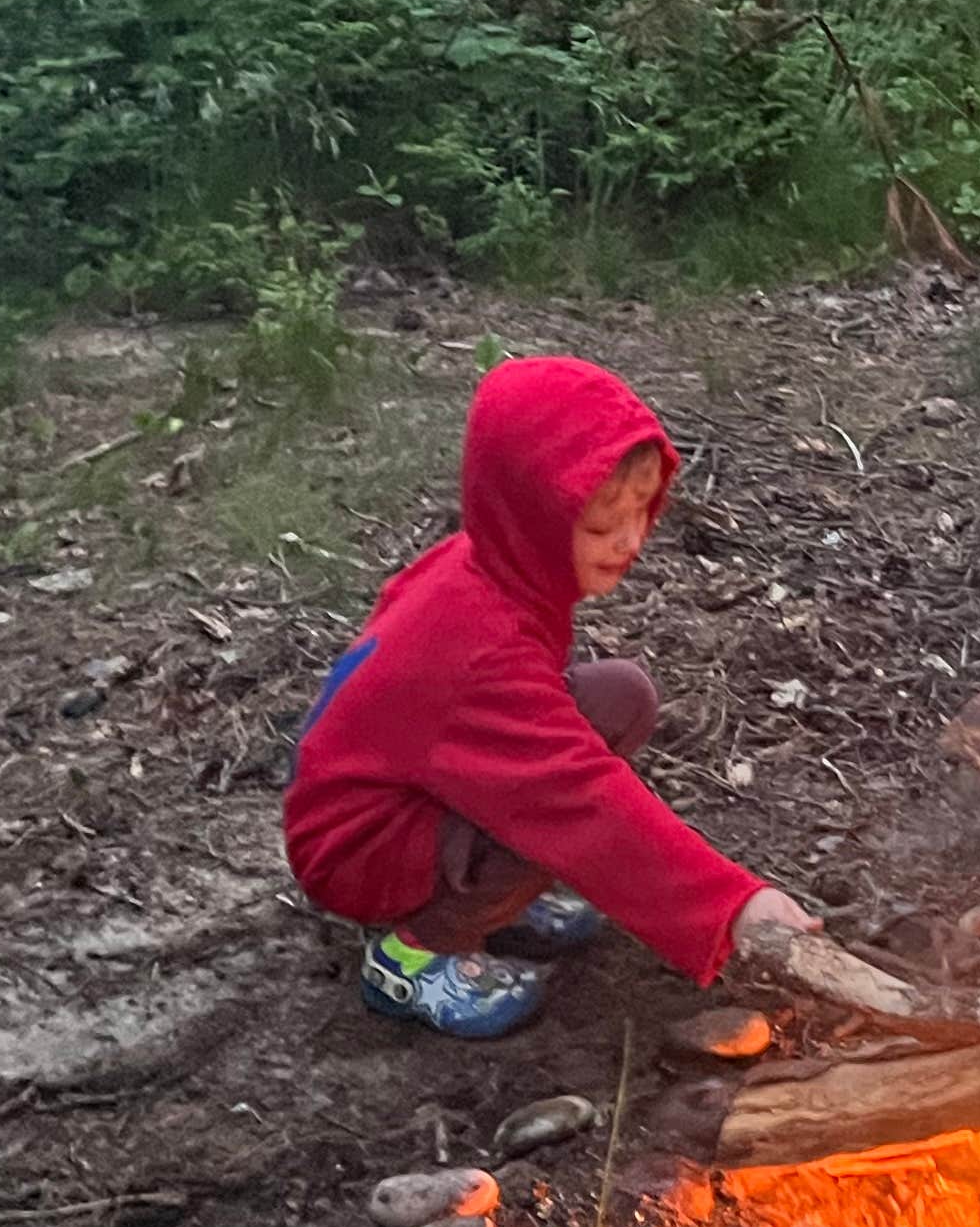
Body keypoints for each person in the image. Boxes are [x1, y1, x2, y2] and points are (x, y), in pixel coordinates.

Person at [284, 353, 818, 1037]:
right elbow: (585, 804)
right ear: (532, 511)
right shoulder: (479, 648)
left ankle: (492, 899)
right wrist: (732, 906)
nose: (628, 542)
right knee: (555, 807)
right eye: (599, 525)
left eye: (643, 511)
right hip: (357, 849)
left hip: (399, 794)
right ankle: (414, 954)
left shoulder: (485, 562)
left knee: (619, 698)